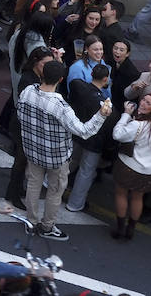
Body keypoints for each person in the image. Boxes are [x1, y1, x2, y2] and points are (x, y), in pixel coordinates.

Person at [16, 59, 111, 240]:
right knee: (55, 190)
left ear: (42, 74)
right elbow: (84, 131)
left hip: (33, 149)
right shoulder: (61, 107)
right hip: (57, 156)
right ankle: (47, 227)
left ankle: (31, 221)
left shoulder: (27, 92)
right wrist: (101, 115)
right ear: (61, 80)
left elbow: (21, 115)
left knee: (33, 185)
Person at [110, 92, 151, 240]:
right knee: (137, 198)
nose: (142, 103)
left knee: (121, 194)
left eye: (148, 103)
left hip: (128, 165)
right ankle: (131, 229)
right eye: (143, 100)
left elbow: (118, 134)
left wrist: (126, 115)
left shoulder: (138, 125)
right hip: (148, 171)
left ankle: (120, 228)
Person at [64, 62, 111, 214]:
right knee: (86, 172)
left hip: (76, 133)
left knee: (69, 162)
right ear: (105, 80)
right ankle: (75, 204)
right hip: (93, 142)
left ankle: (48, 183)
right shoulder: (104, 103)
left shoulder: (78, 86)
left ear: (91, 74)